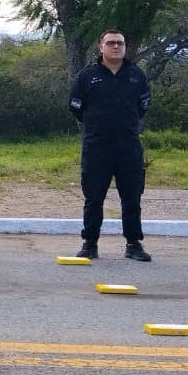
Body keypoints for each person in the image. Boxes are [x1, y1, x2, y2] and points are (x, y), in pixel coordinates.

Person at [67, 29, 152, 261]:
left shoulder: (136, 75)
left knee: (132, 198)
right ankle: (90, 243)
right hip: (97, 146)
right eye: (111, 43)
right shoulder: (87, 76)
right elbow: (76, 107)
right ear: (101, 47)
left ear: (125, 47)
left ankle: (134, 244)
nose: (116, 47)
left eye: (120, 43)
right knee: (94, 197)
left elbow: (144, 105)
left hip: (129, 146)